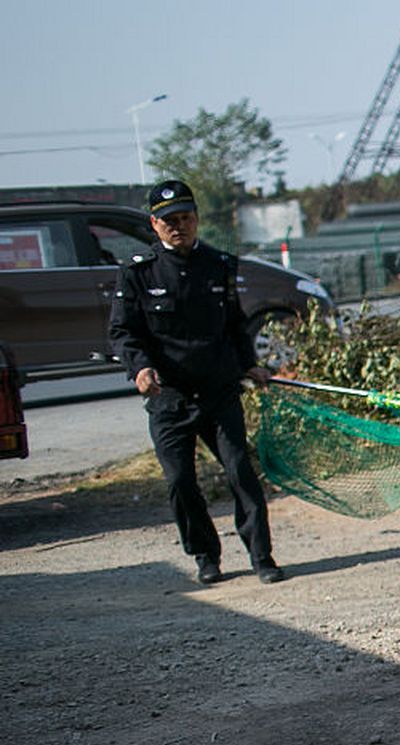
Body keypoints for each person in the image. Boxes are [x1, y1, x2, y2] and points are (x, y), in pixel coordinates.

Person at [108, 180, 282, 584]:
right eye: (169, 220)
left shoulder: (219, 264)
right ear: (155, 224)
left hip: (219, 391)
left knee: (240, 471)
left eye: (186, 218)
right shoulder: (137, 272)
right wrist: (138, 369)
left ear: (196, 220)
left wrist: (249, 364)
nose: (179, 226)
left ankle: (262, 557)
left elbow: (235, 324)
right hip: (169, 398)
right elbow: (122, 332)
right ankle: (205, 555)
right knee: (180, 481)